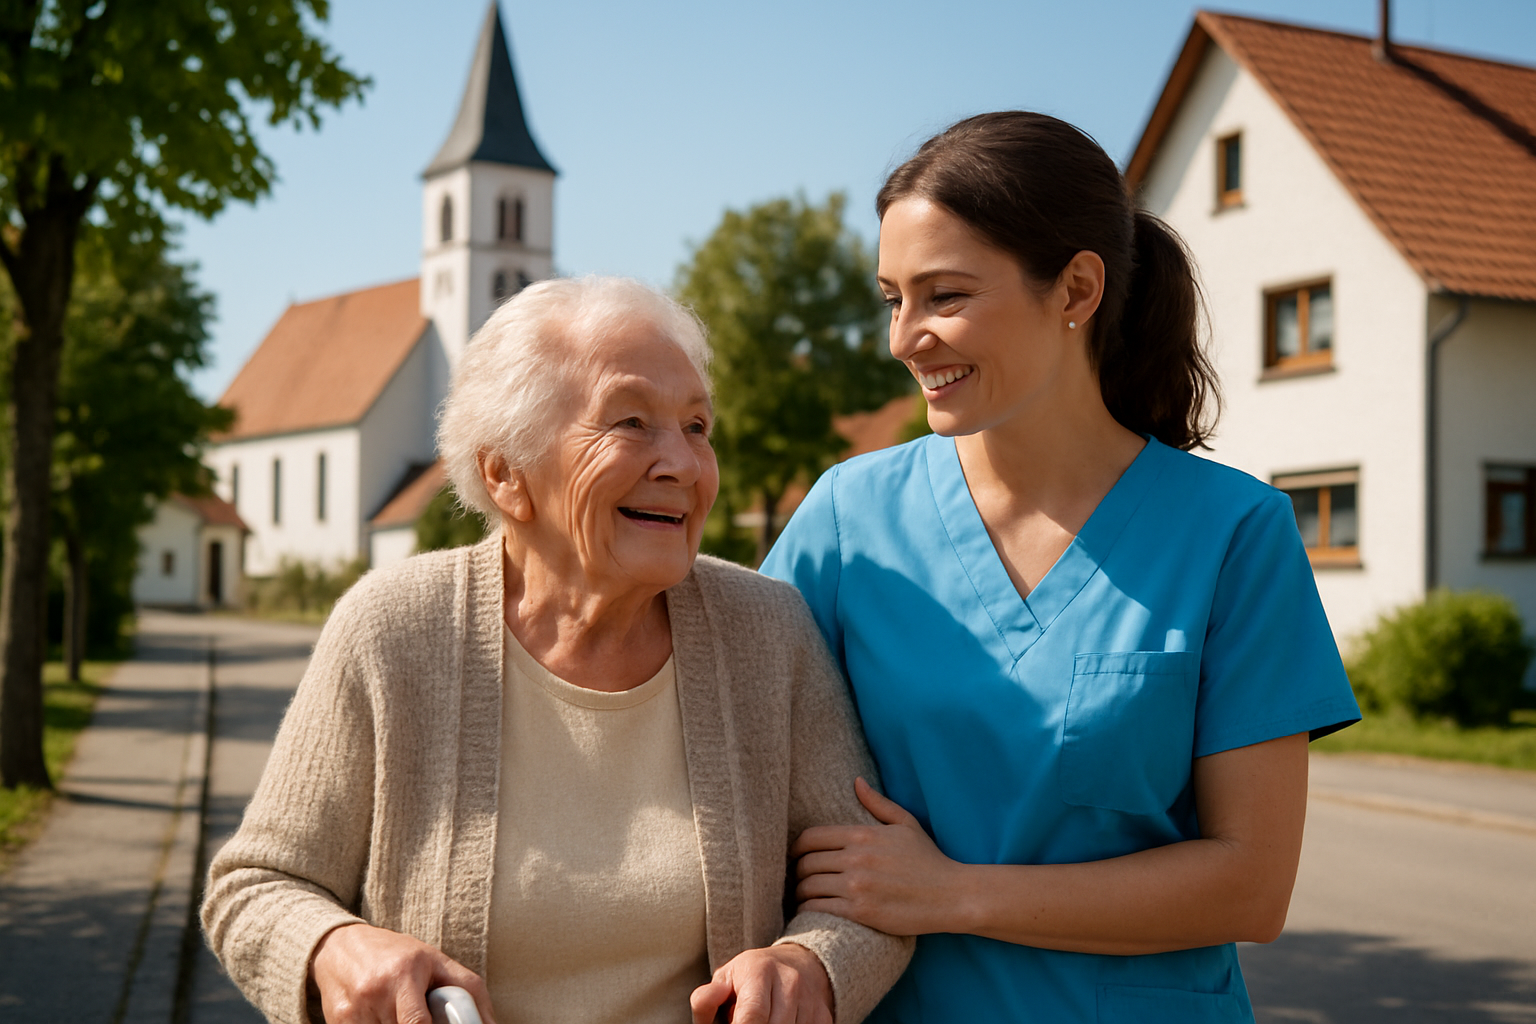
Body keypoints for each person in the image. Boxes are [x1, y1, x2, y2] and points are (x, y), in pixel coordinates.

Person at [761, 112, 1361, 1023]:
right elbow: (715, 745)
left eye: (945, 296)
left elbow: (1251, 885)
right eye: (894, 298)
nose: (904, 338)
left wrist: (954, 892)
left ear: (1077, 288)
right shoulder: (847, 518)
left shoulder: (1235, 531)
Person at [202, 277, 911, 1024]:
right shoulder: (392, 630)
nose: (683, 464)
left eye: (697, 427)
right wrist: (334, 945)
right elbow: (254, 887)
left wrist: (810, 963)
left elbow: (871, 897)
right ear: (505, 474)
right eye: (632, 422)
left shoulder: (768, 632)